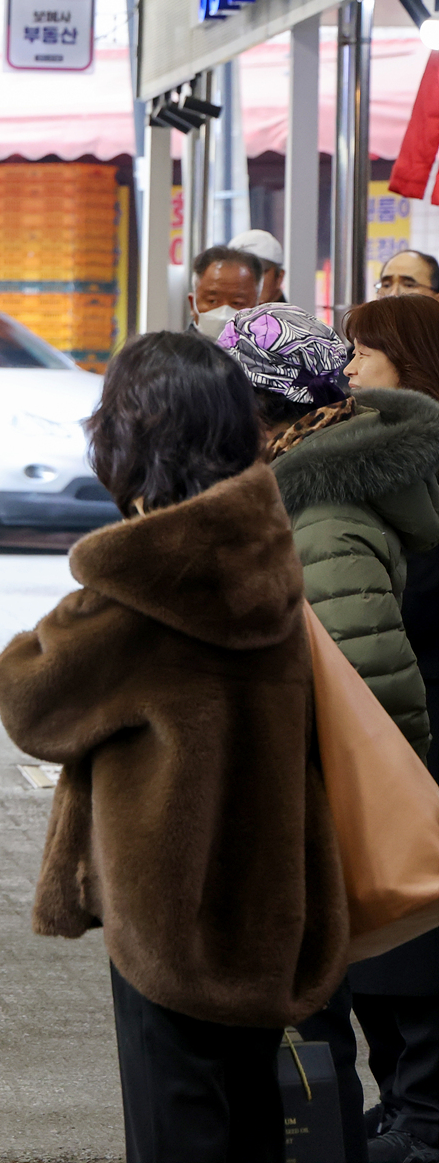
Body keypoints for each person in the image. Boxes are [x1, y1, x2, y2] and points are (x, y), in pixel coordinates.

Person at [0, 330, 347, 1163]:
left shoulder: (143, 582)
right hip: (270, 898)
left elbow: (28, 697)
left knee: (176, 1126)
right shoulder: (268, 544)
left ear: (134, 434)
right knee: (252, 1116)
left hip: (165, 905)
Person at [219, 301, 439, 1163]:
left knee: (364, 1002)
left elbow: (370, 685)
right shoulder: (309, 485)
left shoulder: (320, 512)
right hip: (364, 795)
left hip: (353, 797)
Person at [334, 294, 439, 1163]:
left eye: (364, 351)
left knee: (417, 934)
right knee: (388, 937)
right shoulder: (372, 460)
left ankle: (425, 1118)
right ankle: (404, 1102)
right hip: (396, 728)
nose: (350, 366)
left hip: (418, 729)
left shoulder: (414, 468)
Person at [187, 245, 265, 337]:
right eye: (213, 301)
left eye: (237, 303)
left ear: (258, 310)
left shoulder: (271, 350)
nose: (224, 315)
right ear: (192, 304)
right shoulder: (173, 350)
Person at [232, 228, 287, 303]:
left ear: (279, 278)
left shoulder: (292, 314)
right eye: (238, 273)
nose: (246, 281)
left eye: (257, 272)